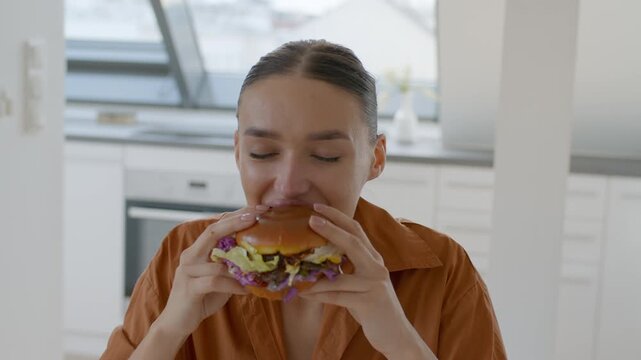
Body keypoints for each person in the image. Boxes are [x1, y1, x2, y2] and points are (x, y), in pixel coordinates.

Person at [101, 39, 507, 360]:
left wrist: (401, 343)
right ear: (238, 151)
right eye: (263, 153)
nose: (290, 184)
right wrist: (170, 329)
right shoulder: (182, 257)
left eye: (325, 156)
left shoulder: (443, 271)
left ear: (376, 158)